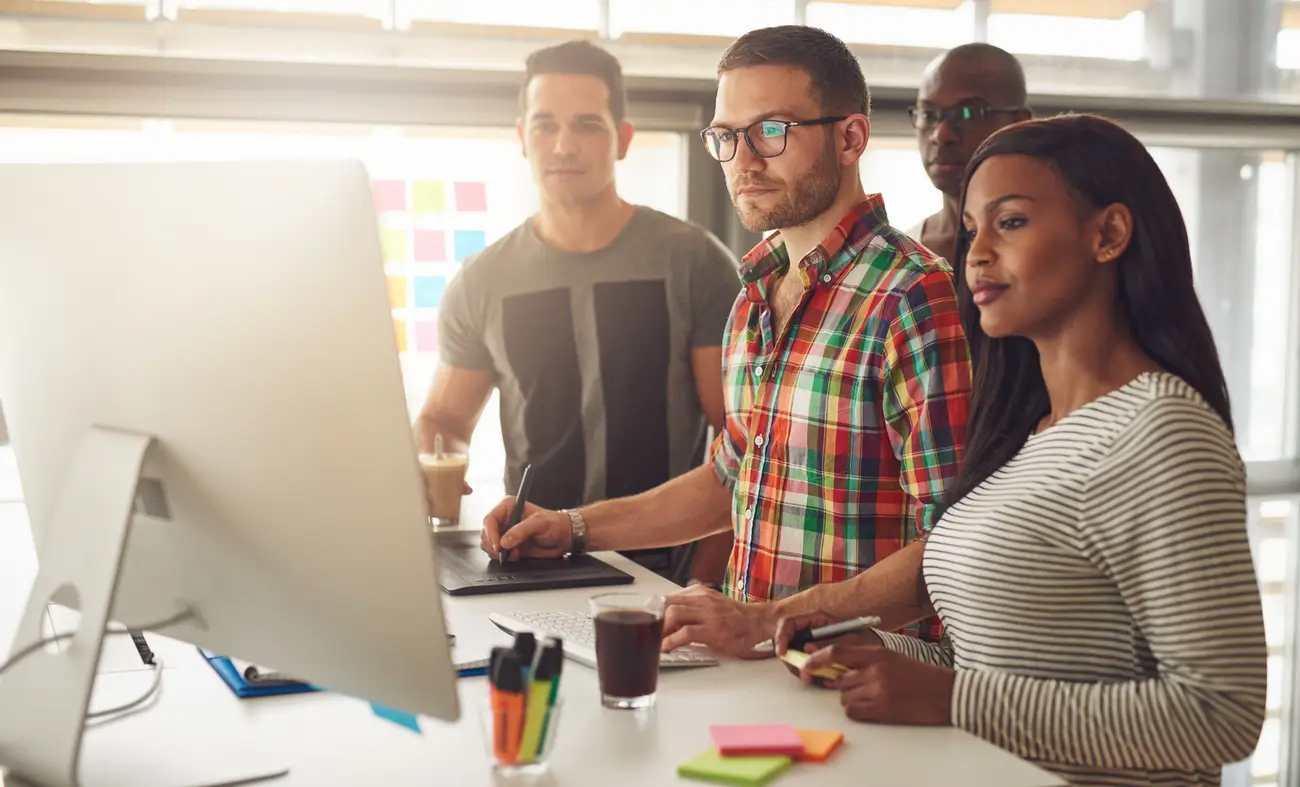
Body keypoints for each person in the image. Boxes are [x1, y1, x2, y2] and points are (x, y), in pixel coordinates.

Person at [761, 115, 1265, 786]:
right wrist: (875, 648)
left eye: (1012, 222)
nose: (976, 253)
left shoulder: (1162, 433)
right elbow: (1007, 673)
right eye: (972, 228)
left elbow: (1221, 713)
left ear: (1108, 233)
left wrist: (950, 699)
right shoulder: (1033, 435)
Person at [480, 26, 971, 648]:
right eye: (727, 136)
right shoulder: (755, 295)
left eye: (772, 130)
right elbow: (728, 477)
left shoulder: (913, 294)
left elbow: (954, 547)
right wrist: (572, 527)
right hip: (758, 671)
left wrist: (769, 620)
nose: (744, 159)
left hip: (859, 681)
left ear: (850, 138)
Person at [415, 40, 740, 585]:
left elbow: (741, 446)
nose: (563, 144)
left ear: (623, 140)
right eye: (545, 125)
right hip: (530, 563)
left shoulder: (694, 262)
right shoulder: (482, 281)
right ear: (522, 138)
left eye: (587, 125)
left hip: (664, 573)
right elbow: (445, 423)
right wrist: (428, 461)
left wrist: (702, 586)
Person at [907, 43, 1030, 264]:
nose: (941, 135)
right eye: (928, 114)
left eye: (969, 113)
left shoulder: (1047, 246)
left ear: (1018, 124)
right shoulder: (901, 255)